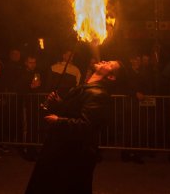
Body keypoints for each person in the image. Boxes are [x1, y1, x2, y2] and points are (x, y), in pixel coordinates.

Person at [25, 59, 121, 194]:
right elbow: (73, 112)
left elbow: (86, 125)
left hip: (74, 154)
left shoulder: (99, 94)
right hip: (65, 149)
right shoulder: (87, 87)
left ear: (111, 76)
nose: (105, 61)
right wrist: (59, 103)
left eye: (110, 64)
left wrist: (59, 121)